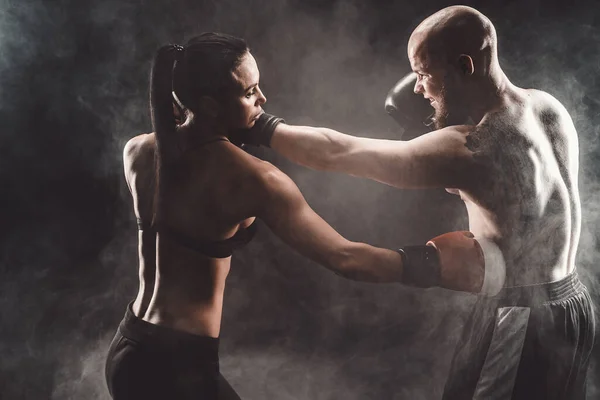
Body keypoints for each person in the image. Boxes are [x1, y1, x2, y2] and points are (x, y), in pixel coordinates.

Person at [104, 32, 499, 400]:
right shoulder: (256, 180)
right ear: (209, 104)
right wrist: (431, 264)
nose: (263, 98)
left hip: (129, 347)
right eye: (249, 92)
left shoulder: (138, 151)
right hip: (178, 371)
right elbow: (346, 258)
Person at [238, 6, 596, 400]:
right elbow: (521, 195)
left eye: (424, 74)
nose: (417, 88)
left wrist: (259, 125)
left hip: (519, 316)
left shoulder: (472, 149)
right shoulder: (547, 107)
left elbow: (338, 152)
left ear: (464, 65)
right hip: (573, 305)